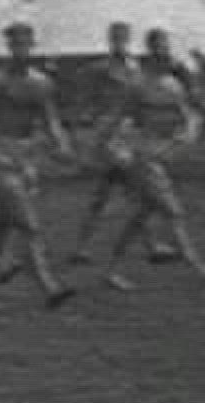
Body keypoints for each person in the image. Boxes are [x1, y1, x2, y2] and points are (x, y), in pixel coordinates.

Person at [97, 28, 205, 292]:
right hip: (143, 155)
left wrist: (185, 132)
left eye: (165, 49)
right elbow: (120, 116)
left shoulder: (174, 84)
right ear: (150, 53)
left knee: (141, 216)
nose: (164, 55)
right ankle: (197, 265)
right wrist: (107, 146)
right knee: (173, 211)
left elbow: (186, 114)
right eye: (158, 49)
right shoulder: (138, 85)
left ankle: (111, 270)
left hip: (159, 155)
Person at [0, 23, 77, 312]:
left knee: (2, 229)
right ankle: (49, 286)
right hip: (0, 156)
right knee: (28, 223)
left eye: (25, 44)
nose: (20, 50)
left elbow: (50, 119)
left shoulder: (41, 83)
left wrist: (61, 145)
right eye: (15, 44)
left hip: (25, 159)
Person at [68, 24, 176, 266]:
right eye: (115, 37)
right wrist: (90, 117)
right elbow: (86, 95)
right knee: (134, 192)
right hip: (110, 136)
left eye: (123, 37)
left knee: (111, 195)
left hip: (128, 135)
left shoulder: (135, 68)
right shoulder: (101, 69)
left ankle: (83, 247)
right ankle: (152, 246)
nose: (119, 41)